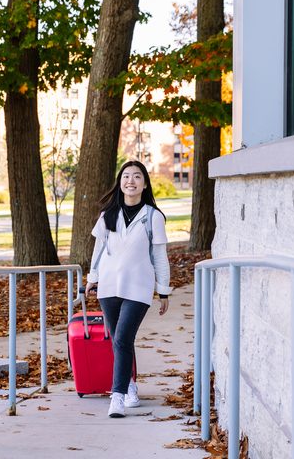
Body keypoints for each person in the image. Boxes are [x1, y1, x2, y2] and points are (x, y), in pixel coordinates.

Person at [85, 160, 172, 418]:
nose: (130, 181)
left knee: (122, 338)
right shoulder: (107, 216)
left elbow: (160, 256)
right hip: (109, 286)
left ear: (144, 184)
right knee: (120, 340)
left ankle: (118, 397)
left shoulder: (153, 217)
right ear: (120, 182)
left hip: (138, 287)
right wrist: (92, 277)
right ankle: (130, 384)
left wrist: (163, 290)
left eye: (136, 176)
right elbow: (98, 250)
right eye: (126, 176)